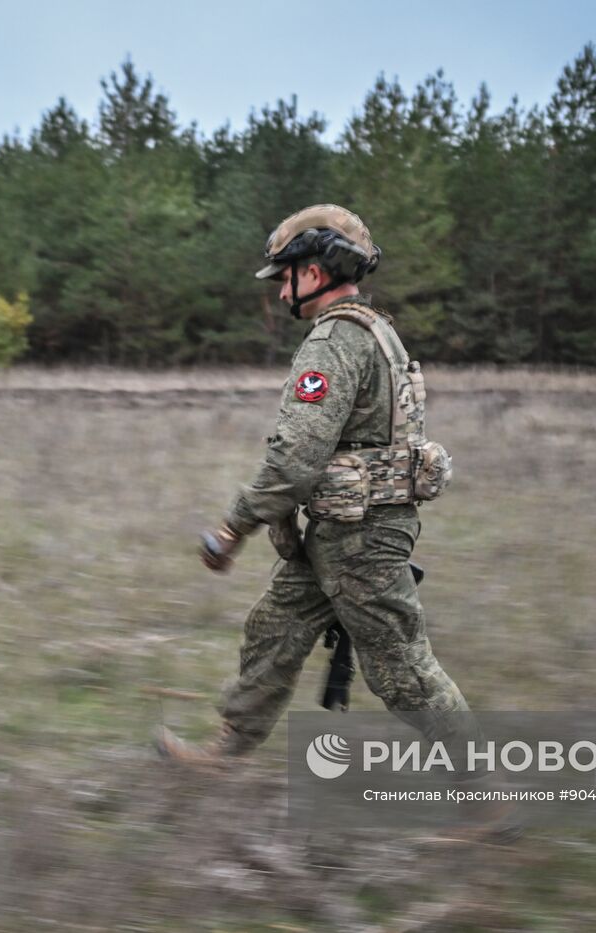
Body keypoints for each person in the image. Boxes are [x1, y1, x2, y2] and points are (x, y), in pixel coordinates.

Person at [155, 204, 481, 766]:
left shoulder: (334, 343)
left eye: (286, 278)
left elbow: (294, 461)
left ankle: (492, 796)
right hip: (342, 532)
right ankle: (228, 751)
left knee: (404, 672)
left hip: (362, 542)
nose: (283, 294)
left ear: (316, 271)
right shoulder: (376, 331)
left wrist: (233, 529)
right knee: (274, 628)